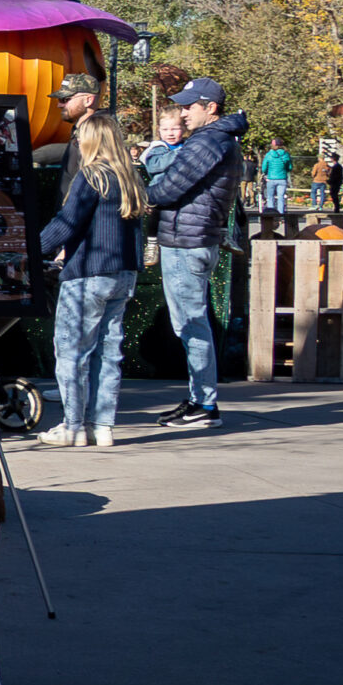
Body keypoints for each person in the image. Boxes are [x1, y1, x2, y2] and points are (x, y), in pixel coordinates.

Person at [36, 115, 149, 448]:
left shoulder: (91, 176)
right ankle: (103, 428)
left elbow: (66, 224)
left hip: (88, 274)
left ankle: (73, 427)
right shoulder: (129, 177)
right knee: (109, 353)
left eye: (80, 137)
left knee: (72, 351)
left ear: (92, 140)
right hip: (123, 274)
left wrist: (28, 249)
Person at [144, 78, 245, 431]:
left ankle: (204, 404)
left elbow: (171, 186)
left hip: (189, 243)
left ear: (211, 108)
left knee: (191, 324)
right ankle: (198, 399)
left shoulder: (209, 141)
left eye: (190, 106)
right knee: (190, 323)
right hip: (192, 240)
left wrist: (142, 195)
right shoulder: (216, 140)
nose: (184, 113)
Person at [258, 137, 293, 216]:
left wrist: (266, 173)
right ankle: (281, 214)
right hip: (282, 179)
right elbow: (290, 167)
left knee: (270, 197)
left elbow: (264, 168)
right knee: (281, 197)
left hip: (271, 178)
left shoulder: (269, 155)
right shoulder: (286, 154)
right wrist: (285, 170)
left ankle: (271, 215)